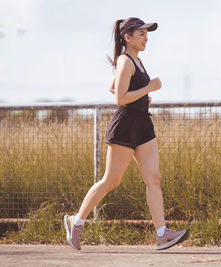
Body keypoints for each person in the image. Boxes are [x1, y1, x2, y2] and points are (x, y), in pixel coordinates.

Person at [63, 17, 188, 251]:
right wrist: (148, 88)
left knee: (154, 179)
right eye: (141, 33)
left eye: (146, 33)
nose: (146, 37)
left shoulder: (137, 61)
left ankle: (162, 234)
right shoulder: (125, 61)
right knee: (111, 181)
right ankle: (76, 221)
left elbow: (114, 87)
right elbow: (119, 99)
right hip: (125, 125)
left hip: (143, 125)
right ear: (127, 37)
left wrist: (141, 94)